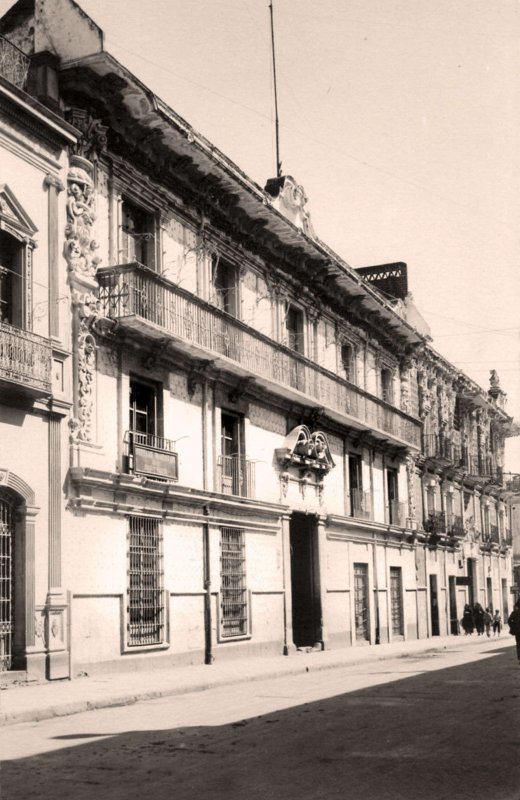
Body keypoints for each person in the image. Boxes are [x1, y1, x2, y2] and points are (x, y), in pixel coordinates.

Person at [507, 600, 520, 665]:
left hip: (518, 631)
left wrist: (514, 626)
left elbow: (509, 621)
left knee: (518, 645)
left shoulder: (514, 613)